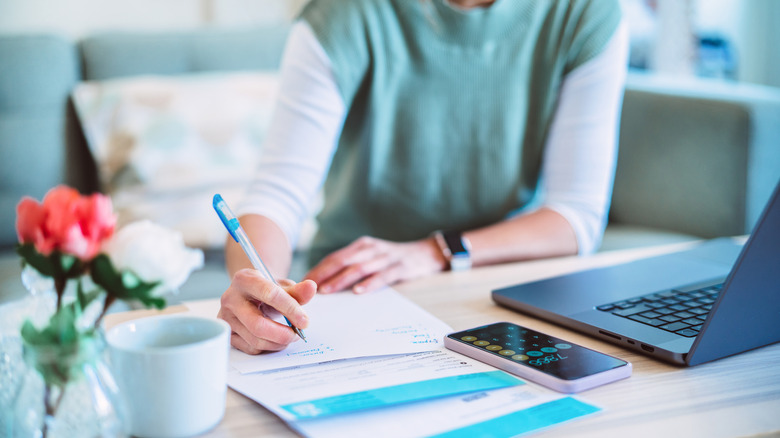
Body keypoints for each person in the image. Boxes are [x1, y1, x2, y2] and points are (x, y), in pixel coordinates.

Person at [218, 0, 629, 354]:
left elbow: (576, 217)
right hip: (354, 288)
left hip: (504, 281)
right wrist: (259, 288)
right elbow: (277, 194)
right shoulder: (344, 13)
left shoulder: (585, 12)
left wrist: (435, 252)